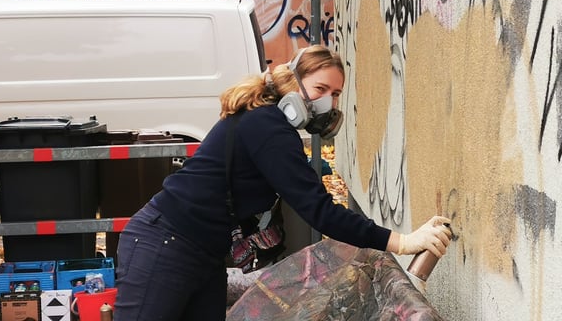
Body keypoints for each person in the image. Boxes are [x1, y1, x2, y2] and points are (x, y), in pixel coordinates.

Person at [113, 44, 453, 320]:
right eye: (320, 89)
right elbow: (320, 212)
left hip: (202, 252)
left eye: (335, 94)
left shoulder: (270, 126)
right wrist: (403, 241)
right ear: (293, 83)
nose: (328, 102)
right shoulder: (268, 127)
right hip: (166, 243)